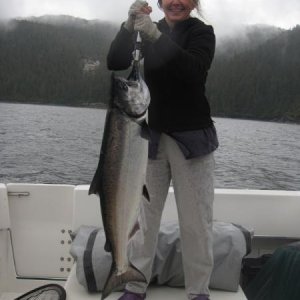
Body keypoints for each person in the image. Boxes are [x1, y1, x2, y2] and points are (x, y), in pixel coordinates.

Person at [107, 0, 218, 299]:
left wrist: (157, 38)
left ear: (194, 3)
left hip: (192, 141)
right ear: (160, 2)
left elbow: (193, 71)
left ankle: (198, 292)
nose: (176, 2)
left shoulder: (202, 33)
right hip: (149, 139)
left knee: (197, 223)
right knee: (141, 220)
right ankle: (133, 284)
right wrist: (128, 26)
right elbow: (114, 60)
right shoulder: (145, 30)